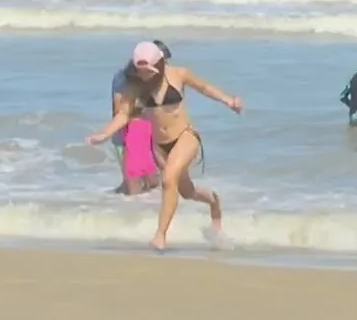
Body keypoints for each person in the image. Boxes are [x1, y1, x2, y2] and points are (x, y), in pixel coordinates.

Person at [87, 41, 242, 250]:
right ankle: (214, 201)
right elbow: (124, 114)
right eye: (139, 71)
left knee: (168, 179)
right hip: (160, 146)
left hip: (185, 137)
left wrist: (229, 101)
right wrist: (103, 134)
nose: (144, 75)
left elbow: (204, 88)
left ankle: (160, 236)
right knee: (187, 192)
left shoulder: (179, 74)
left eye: (148, 70)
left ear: (159, 64)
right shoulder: (137, 87)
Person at [110, 40, 169, 195]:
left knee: (150, 183)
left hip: (147, 134)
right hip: (126, 135)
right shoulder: (124, 78)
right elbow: (119, 111)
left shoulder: (157, 78)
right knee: (136, 184)